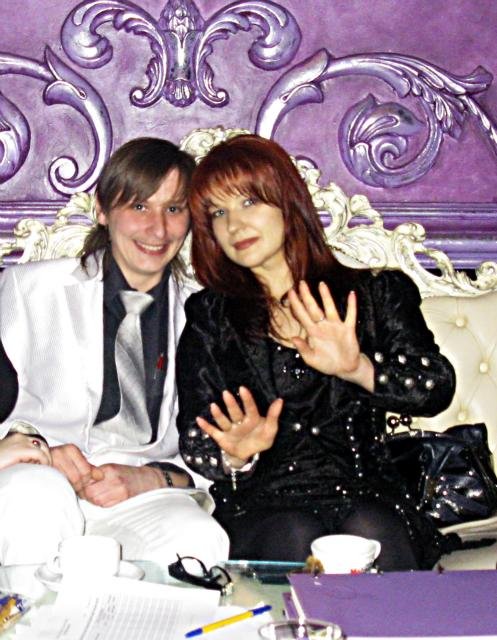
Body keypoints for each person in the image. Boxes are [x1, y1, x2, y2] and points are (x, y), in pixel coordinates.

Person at [176, 134, 460, 571]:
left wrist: (358, 368)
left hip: (368, 491)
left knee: (370, 530)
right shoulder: (211, 316)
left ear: (287, 202)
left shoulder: (374, 293)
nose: (234, 225)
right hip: (265, 504)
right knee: (295, 534)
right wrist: (236, 453)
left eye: (249, 201)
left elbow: (435, 387)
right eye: (218, 212)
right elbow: (195, 438)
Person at [0, 137, 229, 567]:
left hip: (140, 493)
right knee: (36, 502)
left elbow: (212, 452)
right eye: (139, 206)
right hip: (40, 475)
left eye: (173, 209)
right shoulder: (28, 289)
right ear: (102, 211)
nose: (158, 230)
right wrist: (32, 444)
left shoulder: (205, 312)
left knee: (199, 540)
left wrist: (150, 478)